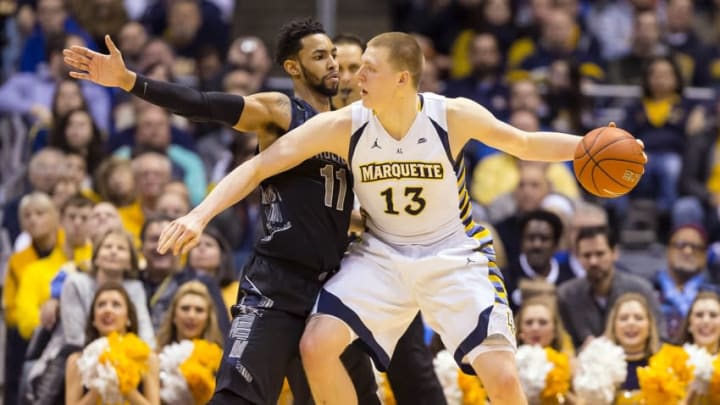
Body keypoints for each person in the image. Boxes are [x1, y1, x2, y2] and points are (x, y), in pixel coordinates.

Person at [133, 30, 620, 404]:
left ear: (401, 78)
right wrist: (199, 215)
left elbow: (526, 144)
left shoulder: (451, 115)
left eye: (367, 69)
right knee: (317, 345)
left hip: (452, 252)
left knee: (503, 375)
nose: (353, 78)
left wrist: (591, 145)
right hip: (382, 255)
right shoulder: (345, 126)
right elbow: (261, 165)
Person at [64, 20, 445, 404]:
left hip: (331, 287)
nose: (332, 63)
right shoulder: (281, 111)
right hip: (276, 284)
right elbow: (204, 104)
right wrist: (131, 81)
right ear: (293, 68)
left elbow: (335, 209)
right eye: (319, 56)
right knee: (237, 397)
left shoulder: (353, 128)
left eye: (333, 54)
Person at [65, 282, 160, 404]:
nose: (107, 310)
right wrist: (100, 385)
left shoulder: (148, 358)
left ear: (128, 319)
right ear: (93, 320)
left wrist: (125, 385)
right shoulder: (77, 361)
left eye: (116, 305)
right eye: (101, 305)